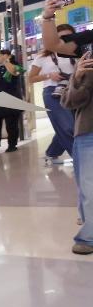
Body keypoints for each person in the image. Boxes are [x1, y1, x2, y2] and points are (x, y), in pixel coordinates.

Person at [29, 25, 78, 165]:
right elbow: (31, 78)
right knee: (68, 127)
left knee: (71, 125)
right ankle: (80, 159)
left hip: (75, 91)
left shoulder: (78, 53)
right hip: (53, 93)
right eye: (61, 37)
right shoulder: (43, 56)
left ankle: (52, 152)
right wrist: (49, 75)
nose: (65, 40)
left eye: (69, 36)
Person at [61, 52, 93, 254]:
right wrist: (78, 78)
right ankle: (89, 236)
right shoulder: (87, 63)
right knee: (89, 189)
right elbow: (68, 101)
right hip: (88, 131)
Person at [0, 49, 25, 154]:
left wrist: (6, 61)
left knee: (11, 125)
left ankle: (12, 145)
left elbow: (13, 72)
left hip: (11, 100)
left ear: (7, 55)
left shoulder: (16, 66)